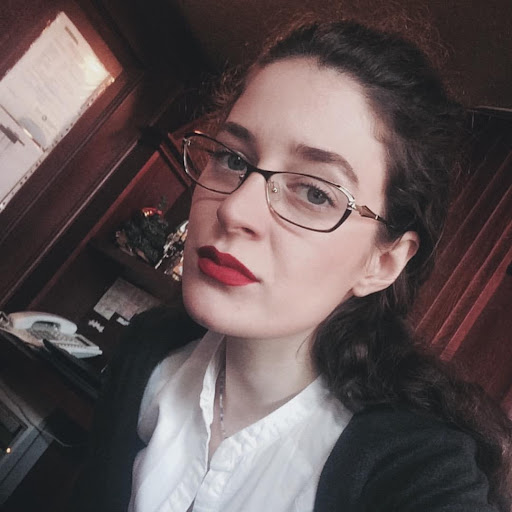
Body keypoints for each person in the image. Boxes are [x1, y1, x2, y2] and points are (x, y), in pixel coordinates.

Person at [71, 19, 512, 512]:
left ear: (383, 262)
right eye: (233, 160)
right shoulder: (147, 351)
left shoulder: (419, 473)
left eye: (315, 193)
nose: (234, 210)